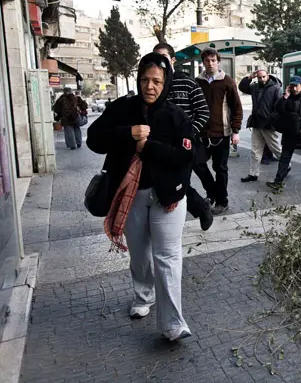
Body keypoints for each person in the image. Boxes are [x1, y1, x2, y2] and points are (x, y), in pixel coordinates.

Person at [86, 52, 194, 342]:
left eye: (157, 81)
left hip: (167, 198)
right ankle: (143, 296)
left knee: (168, 257)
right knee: (140, 254)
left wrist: (149, 148)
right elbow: (93, 139)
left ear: (166, 82)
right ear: (138, 80)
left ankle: (173, 324)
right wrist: (127, 133)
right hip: (131, 196)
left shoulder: (176, 116)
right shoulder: (122, 109)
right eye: (145, 79)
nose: (150, 86)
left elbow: (185, 157)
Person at [153, 43, 214, 231]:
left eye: (164, 57)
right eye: (156, 58)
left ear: (173, 60)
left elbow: (203, 112)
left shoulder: (187, 83)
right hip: (161, 146)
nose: (160, 63)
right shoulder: (154, 84)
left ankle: (201, 207)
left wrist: (188, 133)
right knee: (172, 180)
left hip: (186, 145)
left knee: (179, 181)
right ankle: (199, 207)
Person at [194, 48, 243, 215]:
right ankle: (213, 192)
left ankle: (222, 201)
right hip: (201, 133)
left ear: (218, 61)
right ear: (203, 62)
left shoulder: (227, 81)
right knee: (197, 163)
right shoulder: (197, 81)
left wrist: (235, 131)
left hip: (222, 133)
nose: (210, 63)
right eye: (207, 60)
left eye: (213, 60)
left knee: (220, 168)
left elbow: (237, 107)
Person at [266, 76, 301, 191]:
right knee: (284, 159)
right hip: (289, 134)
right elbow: (277, 109)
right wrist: (285, 96)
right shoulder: (287, 97)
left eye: (296, 85)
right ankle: (278, 181)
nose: (294, 88)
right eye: (292, 86)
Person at [238, 68, 283, 182]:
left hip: (268, 125)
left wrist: (272, 119)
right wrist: (249, 77)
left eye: (264, 77)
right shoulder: (254, 87)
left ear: (268, 76)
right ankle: (253, 174)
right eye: (259, 77)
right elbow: (242, 87)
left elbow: (279, 107)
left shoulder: (275, 88)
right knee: (255, 150)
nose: (262, 79)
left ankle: (286, 165)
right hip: (257, 123)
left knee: (276, 149)